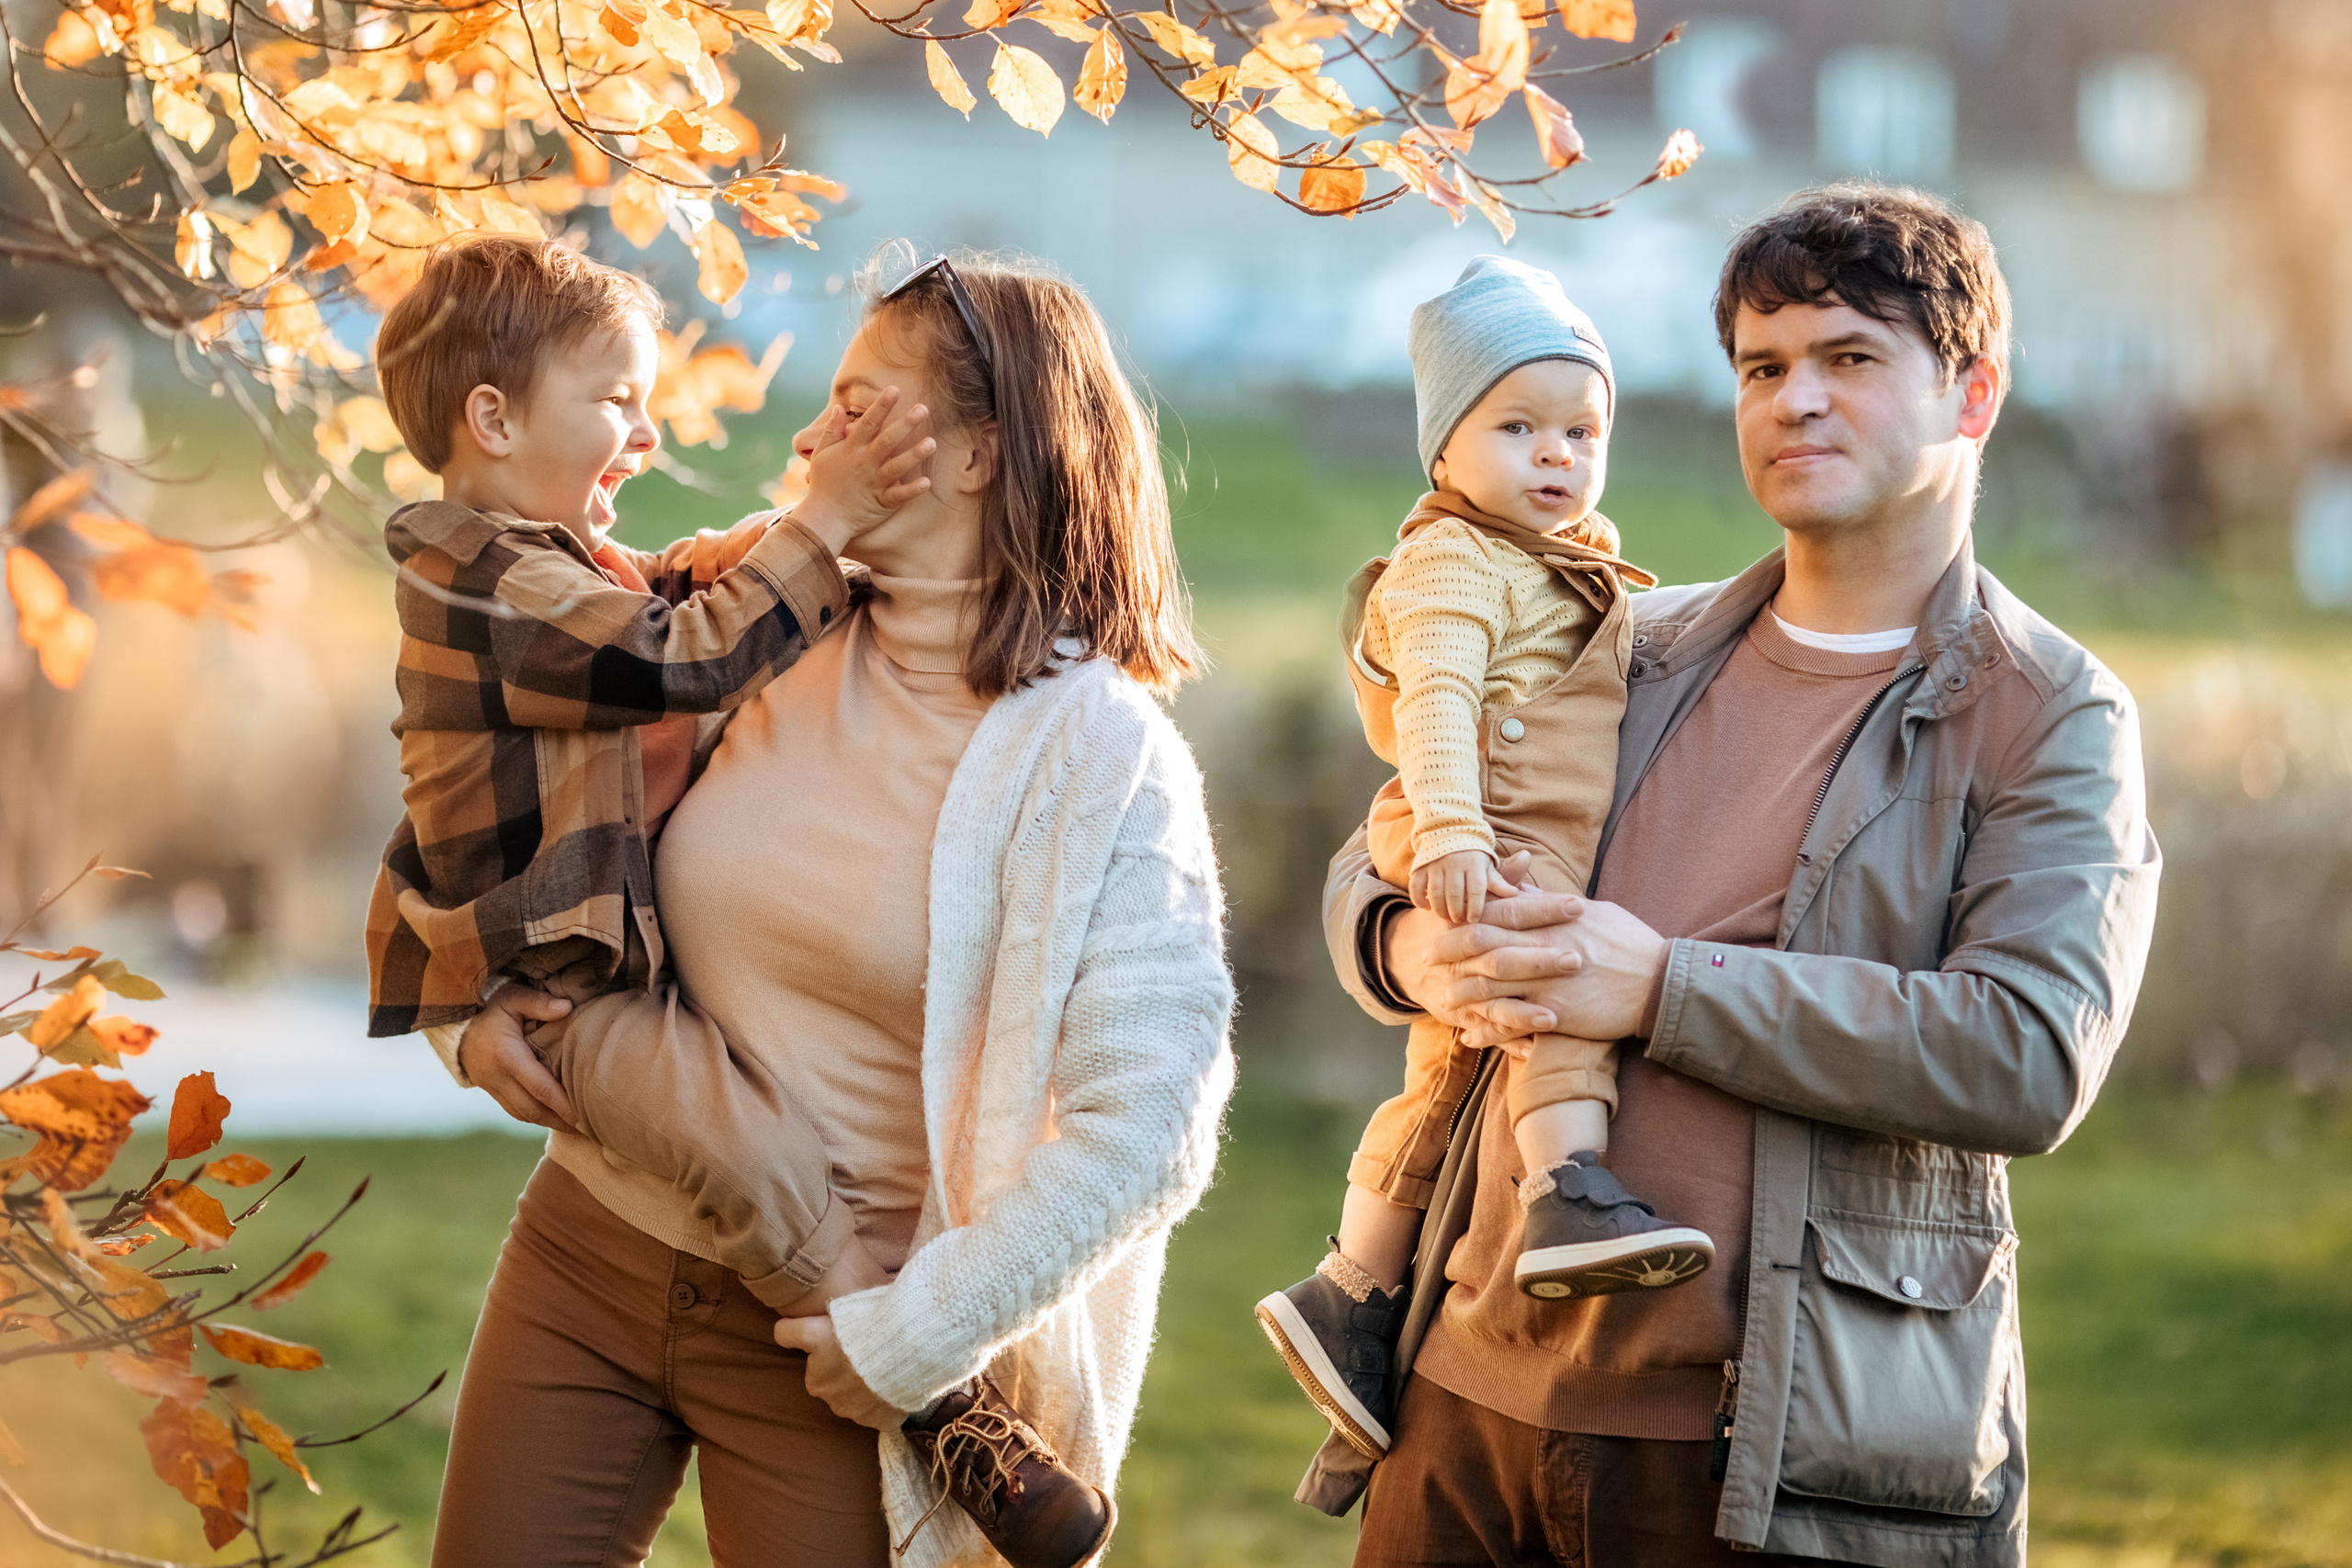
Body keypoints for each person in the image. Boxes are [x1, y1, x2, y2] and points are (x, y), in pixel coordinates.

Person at [1299, 183, 2160, 1568]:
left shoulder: (2049, 709)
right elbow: (1381, 850)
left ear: (1975, 395)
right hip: (1461, 1401)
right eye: (1763, 367)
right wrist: (1408, 945)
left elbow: (2026, 1054)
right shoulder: (1630, 641)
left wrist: (1661, 986)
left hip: (1766, 1459)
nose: (1795, 400)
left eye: (1851, 359)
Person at [416, 247, 1236, 1568]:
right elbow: (489, 782)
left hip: (827, 1353)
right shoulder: (762, 629)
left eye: (855, 408)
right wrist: (466, 996)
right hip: (588, 1249)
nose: (808, 439)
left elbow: (1149, 1133)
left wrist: (918, 1336)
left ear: (976, 454)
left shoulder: (1098, 760)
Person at [1255, 257, 1711, 1466]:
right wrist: (1454, 838)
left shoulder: (1564, 561)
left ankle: (1351, 1288)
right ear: (1444, 448)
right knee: (1546, 982)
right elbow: (1440, 702)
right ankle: (1567, 1184)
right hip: (1480, 824)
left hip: (1511, 826)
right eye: (1519, 427)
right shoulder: (1455, 562)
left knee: (1451, 1066)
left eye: (1582, 429)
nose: (1558, 455)